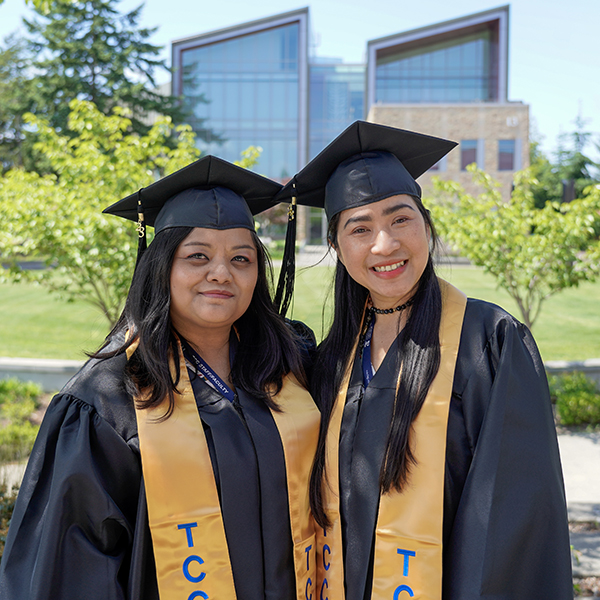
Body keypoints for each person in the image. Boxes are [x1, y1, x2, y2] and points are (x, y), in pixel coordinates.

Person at [274, 121, 573, 599]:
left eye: (400, 219)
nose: (385, 245)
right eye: (360, 228)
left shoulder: (490, 344)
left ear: (426, 226)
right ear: (337, 248)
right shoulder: (330, 361)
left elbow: (512, 519)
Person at [0, 155, 321, 600]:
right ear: (161, 267)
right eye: (198, 256)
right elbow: (73, 567)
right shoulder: (108, 398)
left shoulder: (289, 365)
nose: (221, 273)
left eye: (241, 258)